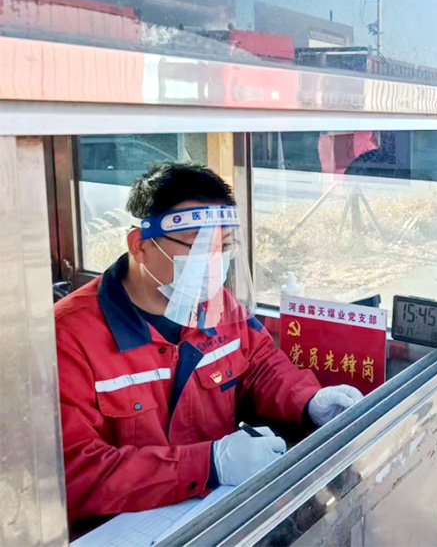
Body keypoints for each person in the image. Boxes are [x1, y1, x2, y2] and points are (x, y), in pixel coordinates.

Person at [55, 162, 363, 530]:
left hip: (217, 515)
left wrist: (308, 400)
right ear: (139, 245)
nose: (214, 264)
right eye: (199, 247)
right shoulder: (68, 337)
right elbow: (74, 470)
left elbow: (260, 365)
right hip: (122, 529)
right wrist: (209, 464)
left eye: (224, 248)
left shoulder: (215, 305)